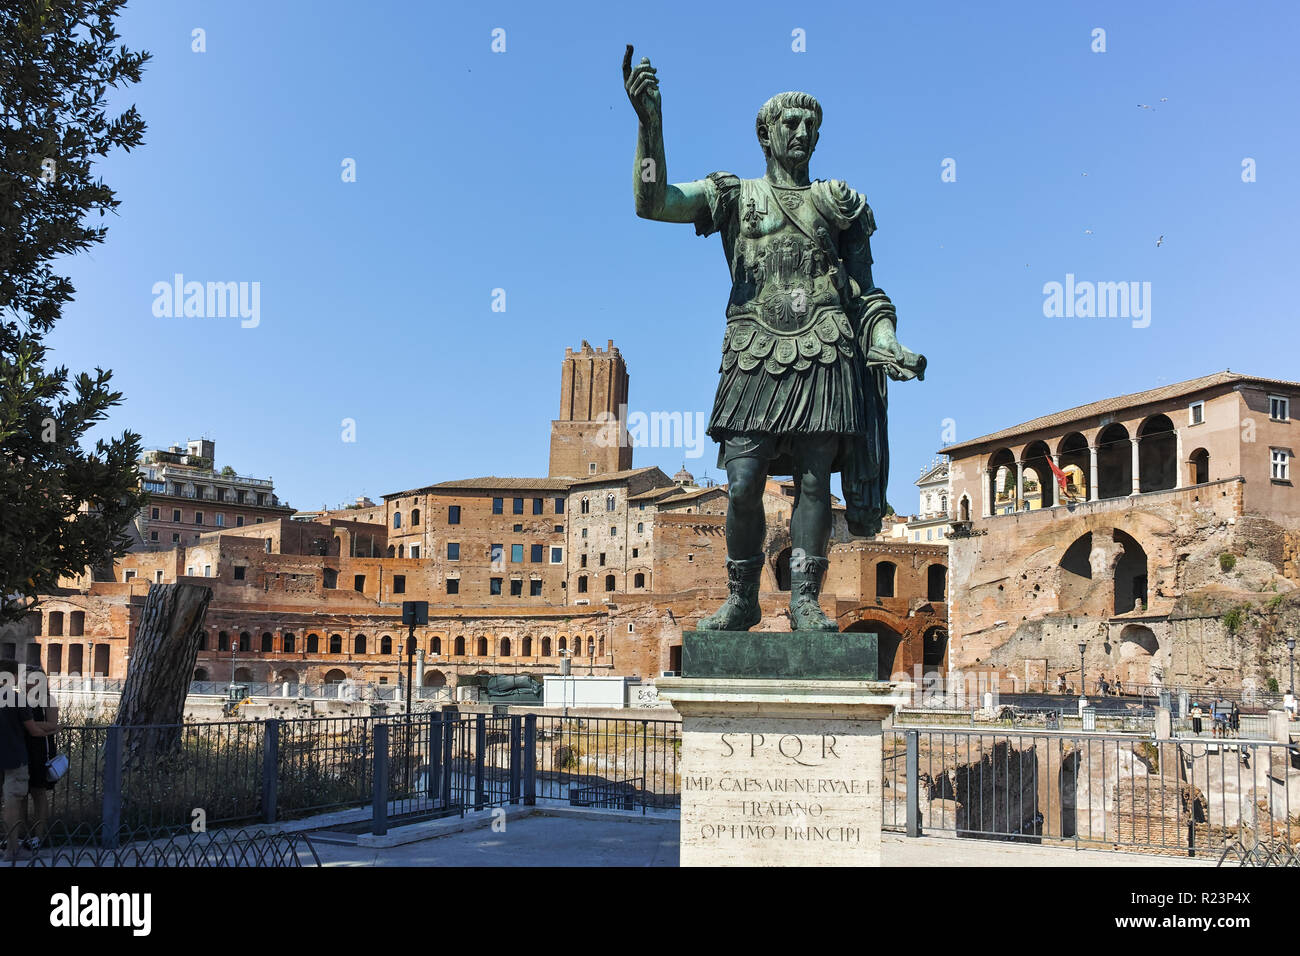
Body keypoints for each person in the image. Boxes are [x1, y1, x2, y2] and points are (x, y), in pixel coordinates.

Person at [0, 660, 54, 861]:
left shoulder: (43, 700)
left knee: (29, 796)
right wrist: (52, 729)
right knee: (15, 801)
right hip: (17, 754)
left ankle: (21, 841)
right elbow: (35, 728)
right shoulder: (17, 698)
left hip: (27, 753)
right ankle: (14, 846)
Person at [21, 666, 58, 851]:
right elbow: (51, 727)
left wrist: (28, 724)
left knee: (38, 792)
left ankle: (38, 835)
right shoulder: (17, 700)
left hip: (41, 751)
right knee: (19, 795)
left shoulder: (48, 700)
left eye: (30, 678)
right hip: (21, 749)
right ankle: (21, 835)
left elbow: (53, 724)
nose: (26, 682)